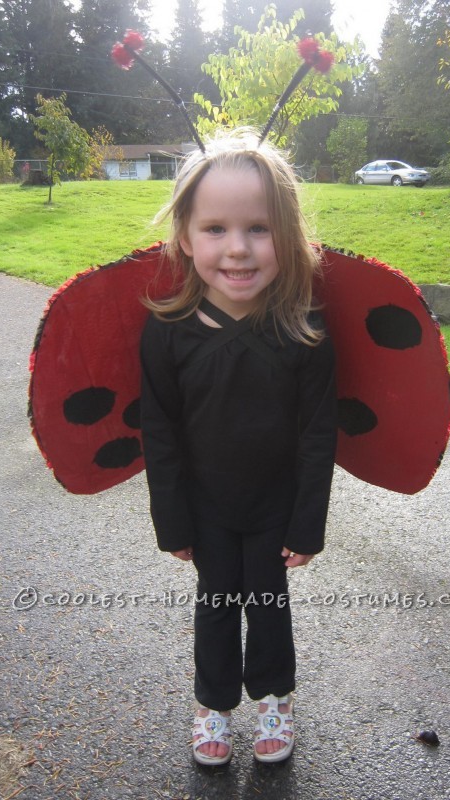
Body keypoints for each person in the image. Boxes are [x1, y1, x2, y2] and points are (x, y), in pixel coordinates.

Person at [140, 128, 337, 766]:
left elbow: (317, 433)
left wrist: (309, 523)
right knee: (218, 603)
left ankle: (274, 696)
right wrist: (172, 519)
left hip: (276, 507)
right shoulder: (167, 333)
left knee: (268, 604)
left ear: (291, 233)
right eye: (216, 229)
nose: (238, 249)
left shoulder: (304, 331)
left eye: (259, 228)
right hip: (206, 507)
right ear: (185, 238)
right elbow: (161, 432)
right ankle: (213, 705)